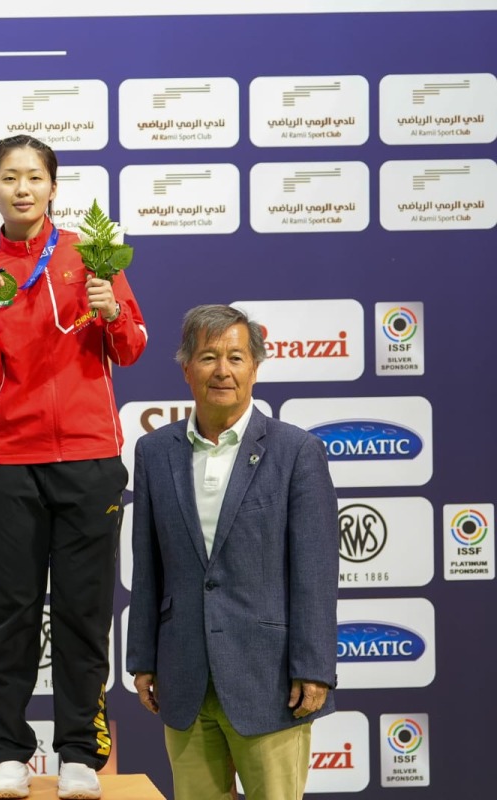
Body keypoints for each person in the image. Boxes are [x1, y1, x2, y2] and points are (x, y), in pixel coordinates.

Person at [0, 134, 147, 800]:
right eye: (9, 177)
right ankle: (6, 753)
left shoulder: (92, 256)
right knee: (10, 613)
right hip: (10, 461)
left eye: (34, 177)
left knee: (82, 613)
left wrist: (111, 311)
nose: (22, 189)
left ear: (53, 188)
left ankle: (79, 753)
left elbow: (131, 347)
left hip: (89, 459)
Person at [127, 304, 339, 800]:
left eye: (236, 357)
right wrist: (143, 658)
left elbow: (315, 570)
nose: (222, 370)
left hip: (271, 682)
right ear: (186, 369)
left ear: (255, 368)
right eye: (208, 357)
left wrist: (313, 667)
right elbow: (148, 565)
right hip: (184, 678)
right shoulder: (154, 452)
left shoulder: (297, 452)